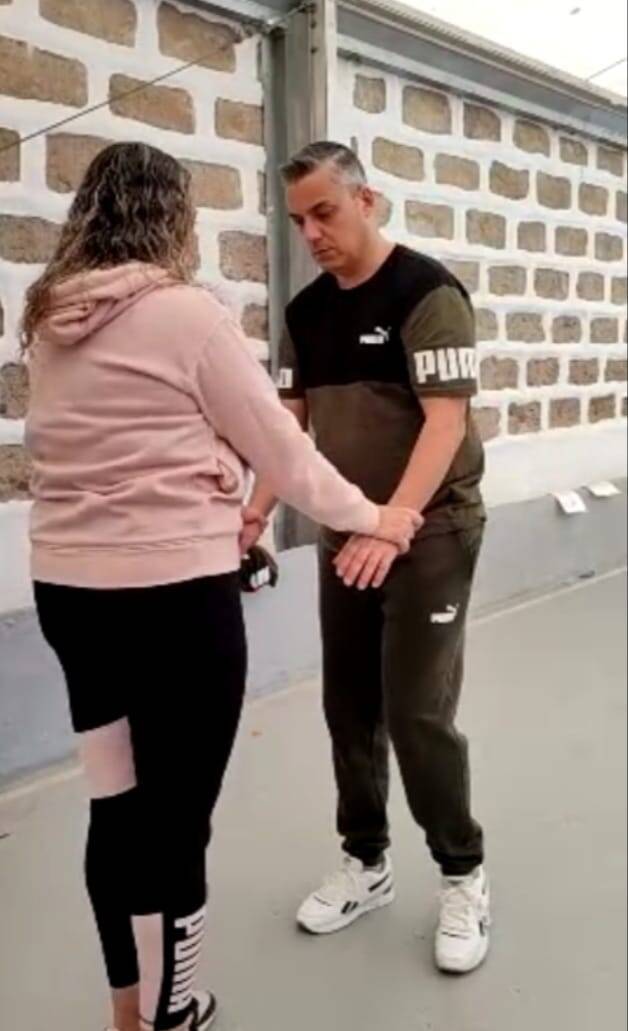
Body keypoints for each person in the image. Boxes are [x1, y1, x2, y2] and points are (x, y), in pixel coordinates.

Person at [21, 142, 421, 1031]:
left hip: (71, 597)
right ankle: (175, 1014)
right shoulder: (186, 315)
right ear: (173, 218)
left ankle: (128, 1008)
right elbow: (285, 451)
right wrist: (377, 516)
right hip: (172, 604)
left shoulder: (49, 316)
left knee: (117, 806)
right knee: (177, 820)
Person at [245, 142, 491, 975]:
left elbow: (446, 424)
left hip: (431, 529)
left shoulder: (428, 294)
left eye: (325, 211)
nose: (312, 232)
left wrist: (394, 527)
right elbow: (287, 430)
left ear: (367, 200)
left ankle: (463, 872)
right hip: (349, 531)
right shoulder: (306, 312)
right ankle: (366, 862)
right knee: (349, 706)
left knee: (416, 711)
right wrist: (255, 510)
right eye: (299, 220)